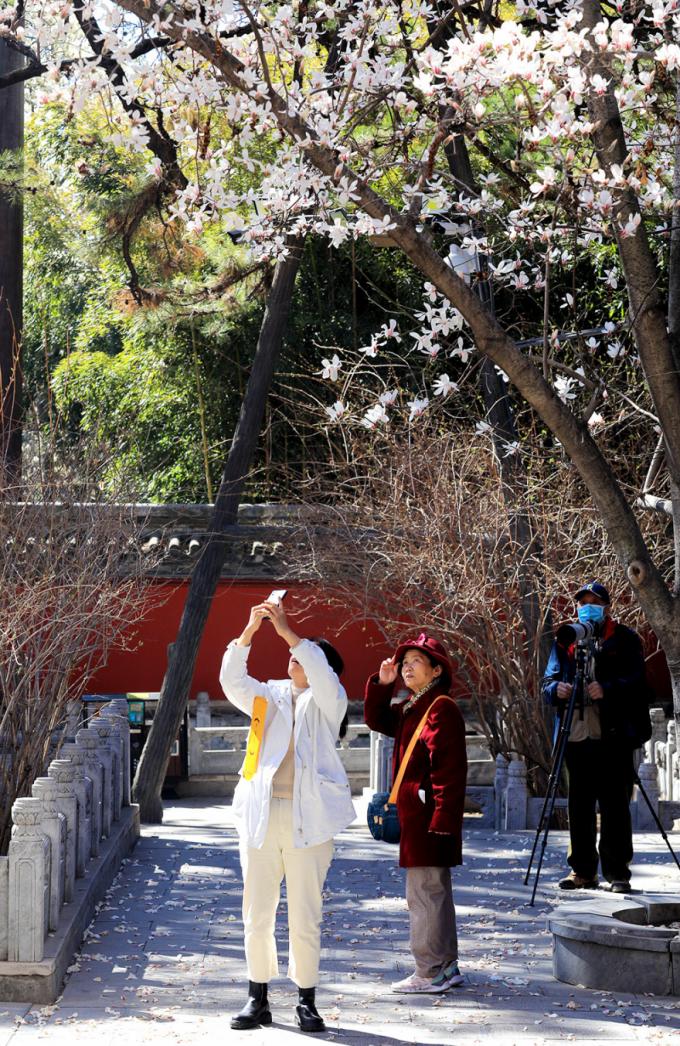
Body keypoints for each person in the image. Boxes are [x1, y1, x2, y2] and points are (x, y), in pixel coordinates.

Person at [219, 599, 355, 1033]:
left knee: (305, 914)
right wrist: (249, 631)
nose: (292, 655)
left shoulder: (329, 701)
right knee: (256, 912)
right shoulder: (269, 694)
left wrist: (290, 632)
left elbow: (321, 674)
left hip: (309, 824)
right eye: (292, 652)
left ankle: (306, 1000)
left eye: (304, 653)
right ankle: (257, 998)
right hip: (261, 817)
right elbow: (230, 680)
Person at [364, 632, 467, 994]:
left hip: (429, 818)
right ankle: (446, 966)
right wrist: (382, 684)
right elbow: (377, 719)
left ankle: (428, 971)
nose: (407, 666)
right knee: (433, 892)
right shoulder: (414, 707)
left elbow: (449, 770)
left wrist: (441, 821)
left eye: (416, 662)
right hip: (421, 816)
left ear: (436, 670)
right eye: (404, 661)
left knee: (424, 894)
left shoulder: (440, 708)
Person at [542, 580, 649, 893]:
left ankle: (617, 872)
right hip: (575, 734)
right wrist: (555, 690)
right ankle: (583, 871)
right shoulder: (566, 639)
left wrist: (608, 688)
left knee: (615, 805)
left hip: (612, 733)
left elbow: (638, 683)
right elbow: (548, 680)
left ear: (607, 607)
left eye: (595, 601)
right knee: (579, 805)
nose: (588, 606)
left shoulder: (626, 639)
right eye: (583, 602)